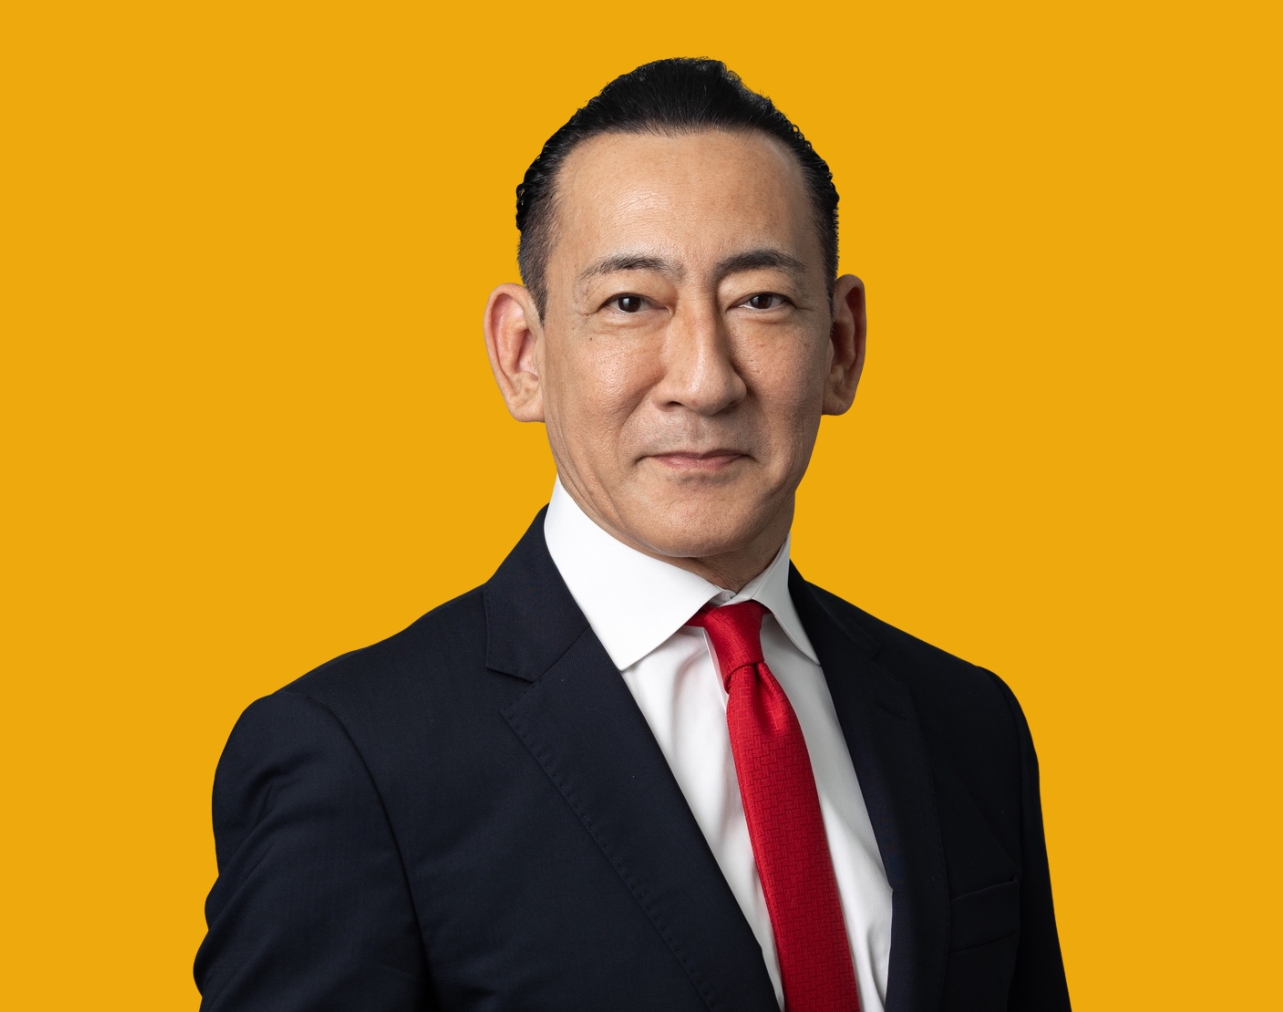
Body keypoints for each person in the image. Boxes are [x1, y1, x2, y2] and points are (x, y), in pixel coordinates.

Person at [195, 58, 1070, 1012]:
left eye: (760, 301)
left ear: (841, 345)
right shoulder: (357, 760)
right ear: (522, 356)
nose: (703, 380)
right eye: (629, 303)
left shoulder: (966, 724)